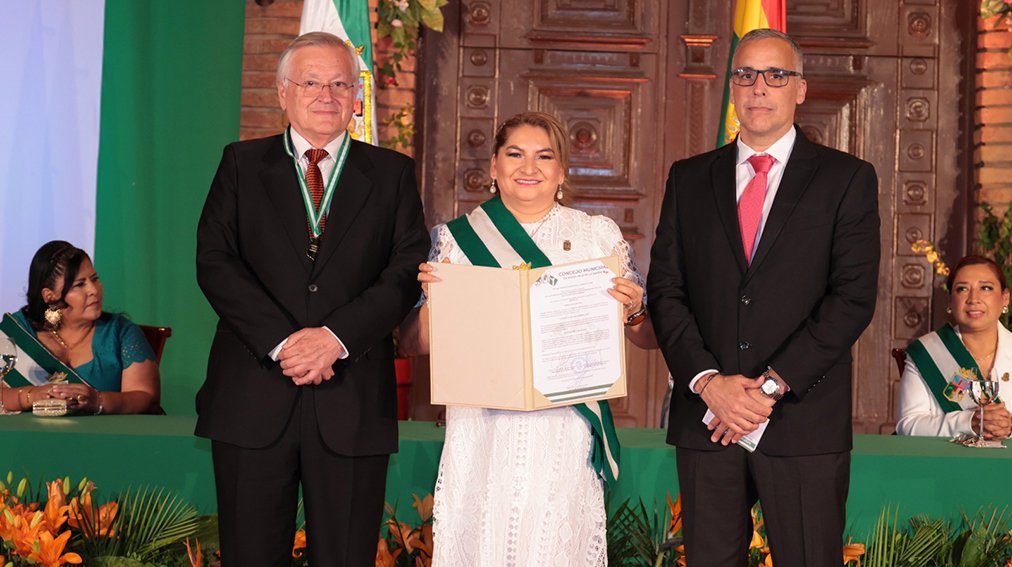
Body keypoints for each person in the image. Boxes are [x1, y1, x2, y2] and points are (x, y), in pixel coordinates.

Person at [194, 32, 430, 566]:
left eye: (340, 83)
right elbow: (215, 262)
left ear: (357, 98)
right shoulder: (240, 163)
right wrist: (284, 343)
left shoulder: (392, 174)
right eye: (311, 82)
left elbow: (404, 272)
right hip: (253, 394)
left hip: (351, 399)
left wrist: (334, 339)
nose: (326, 94)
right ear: (283, 92)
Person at [647, 29, 880, 566]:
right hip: (708, 421)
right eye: (745, 74)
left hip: (801, 421)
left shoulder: (846, 179)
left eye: (775, 75)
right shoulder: (688, 179)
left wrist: (766, 390)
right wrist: (709, 384)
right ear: (732, 88)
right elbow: (667, 289)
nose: (759, 87)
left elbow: (852, 298)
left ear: (800, 89)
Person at [401, 111, 656, 565]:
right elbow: (412, 344)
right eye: (514, 154)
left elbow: (647, 338)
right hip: (482, 424)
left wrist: (634, 309)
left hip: (563, 424)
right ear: (494, 166)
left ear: (561, 172)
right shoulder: (454, 241)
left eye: (544, 156)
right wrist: (435, 302)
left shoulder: (596, 235)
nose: (529, 167)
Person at [0, 240, 160, 414]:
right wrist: (30, 396)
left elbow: (147, 398)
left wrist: (98, 401)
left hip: (103, 438)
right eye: (79, 284)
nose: (94, 290)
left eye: (95, 279)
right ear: (50, 296)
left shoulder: (121, 333)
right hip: (29, 438)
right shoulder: (18, 332)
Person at [897, 255, 1012, 439]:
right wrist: (968, 422)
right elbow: (908, 426)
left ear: (1005, 298)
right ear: (950, 301)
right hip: (946, 464)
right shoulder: (927, 352)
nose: (974, 298)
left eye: (986, 288)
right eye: (962, 289)